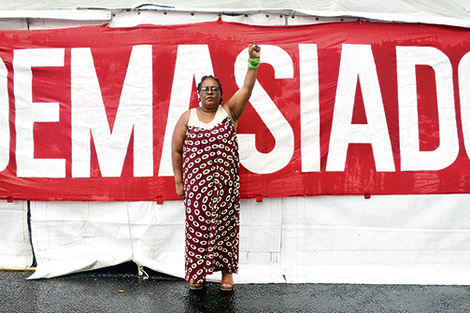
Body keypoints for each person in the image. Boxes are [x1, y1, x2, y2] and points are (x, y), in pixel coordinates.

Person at [171, 43, 261, 291]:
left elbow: (247, 88)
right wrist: (179, 181)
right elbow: (176, 151)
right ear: (198, 93)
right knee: (197, 231)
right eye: (205, 89)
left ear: (220, 93)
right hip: (197, 189)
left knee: (226, 228)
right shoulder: (187, 117)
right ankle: (196, 274)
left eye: (214, 89)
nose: (209, 92)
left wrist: (253, 61)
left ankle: (226, 274)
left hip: (225, 188)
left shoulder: (229, 111)